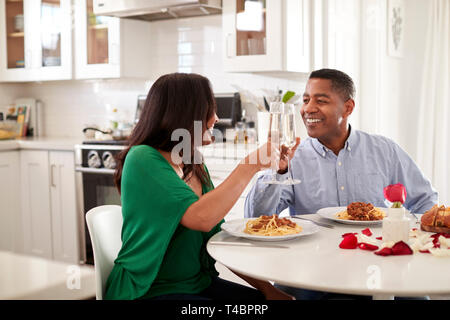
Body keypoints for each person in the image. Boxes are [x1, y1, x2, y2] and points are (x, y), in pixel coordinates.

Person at [244, 68, 438, 300]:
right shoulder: (293, 158)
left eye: (321, 100)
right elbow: (256, 218)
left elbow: (425, 200)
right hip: (311, 270)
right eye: (306, 100)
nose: (308, 108)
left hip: (377, 263)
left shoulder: (383, 149)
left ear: (348, 107)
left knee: (418, 299)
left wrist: (410, 240)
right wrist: (277, 171)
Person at [104, 73, 294, 300]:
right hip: (148, 291)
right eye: (209, 109)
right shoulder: (143, 158)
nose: (216, 118)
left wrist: (268, 290)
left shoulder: (192, 162)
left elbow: (219, 235)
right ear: (184, 113)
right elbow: (201, 218)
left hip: (197, 285)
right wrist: (248, 166)